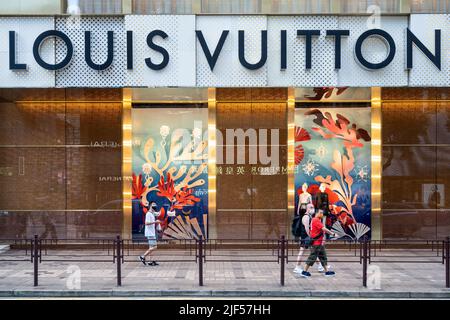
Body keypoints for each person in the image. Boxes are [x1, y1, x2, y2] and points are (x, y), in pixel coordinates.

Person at [300, 209, 337, 278]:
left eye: (322, 213)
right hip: (316, 243)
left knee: (323, 257)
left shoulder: (316, 220)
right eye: (321, 213)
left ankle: (327, 271)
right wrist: (333, 234)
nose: (322, 214)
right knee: (312, 257)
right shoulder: (316, 220)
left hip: (319, 243)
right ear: (317, 213)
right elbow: (324, 229)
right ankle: (304, 271)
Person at [139, 202, 162, 266]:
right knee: (155, 246)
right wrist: (155, 221)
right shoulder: (148, 214)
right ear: (150, 206)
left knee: (151, 247)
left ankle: (150, 261)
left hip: (151, 232)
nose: (155, 206)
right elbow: (146, 223)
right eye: (153, 205)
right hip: (150, 233)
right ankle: (143, 256)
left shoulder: (152, 213)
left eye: (155, 205)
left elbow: (158, 213)